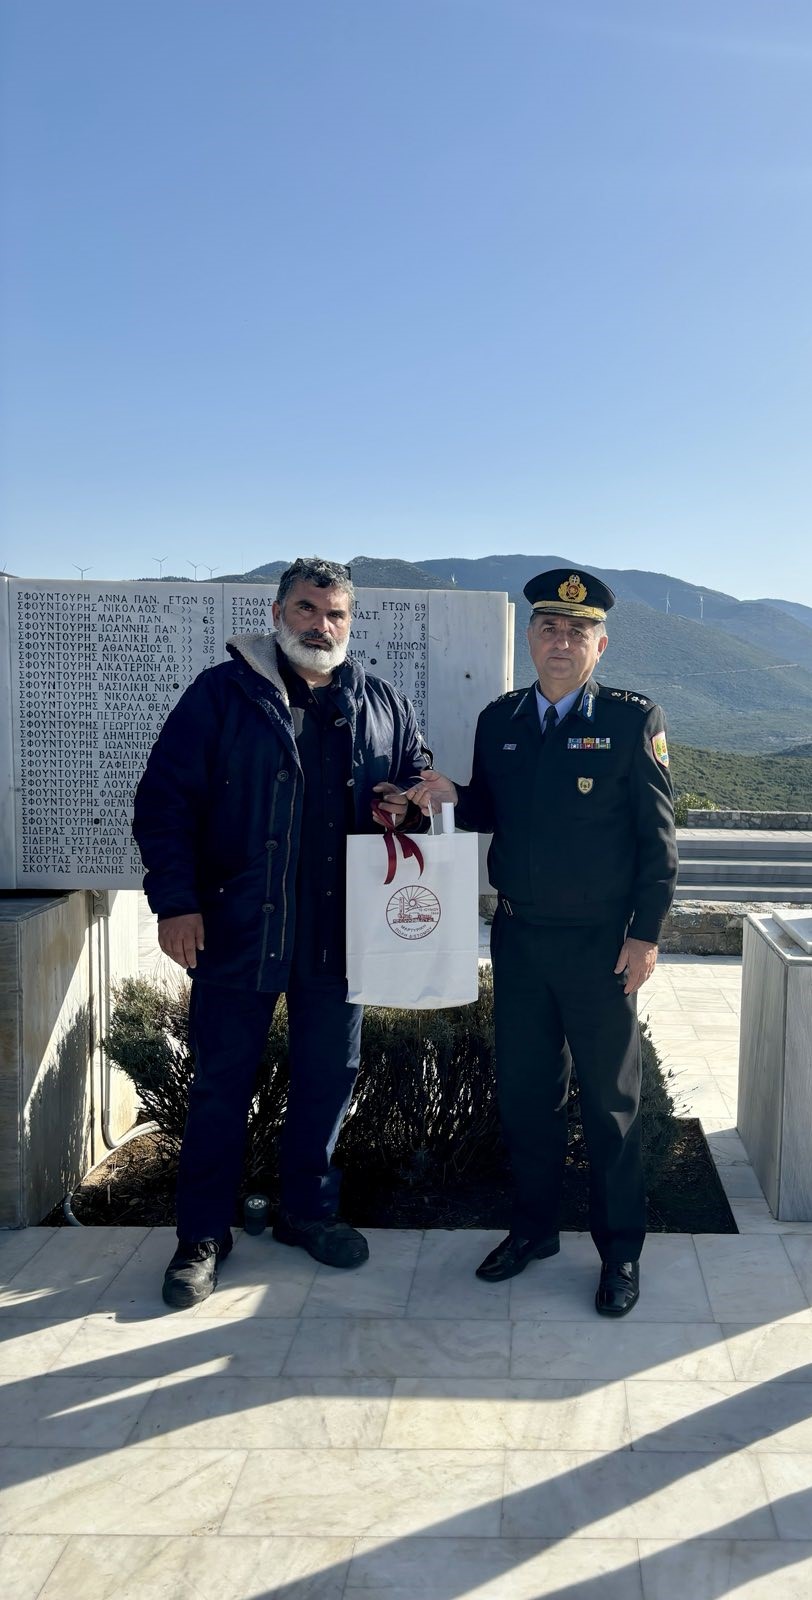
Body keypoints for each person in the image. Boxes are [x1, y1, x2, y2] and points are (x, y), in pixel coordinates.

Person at [133, 556, 430, 1309]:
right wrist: (176, 904)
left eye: (335, 614)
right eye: (306, 609)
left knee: (328, 1079)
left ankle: (308, 1213)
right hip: (237, 929)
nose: (320, 626)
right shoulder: (221, 694)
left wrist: (407, 800)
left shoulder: (382, 702)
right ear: (276, 614)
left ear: (350, 622)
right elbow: (164, 802)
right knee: (219, 1085)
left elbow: (416, 777)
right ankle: (202, 1237)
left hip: (340, 934)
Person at [407, 567, 678, 1316]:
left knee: (611, 1106)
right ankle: (533, 1230)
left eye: (577, 631)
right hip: (521, 938)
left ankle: (620, 1253)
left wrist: (646, 936)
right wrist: (452, 796)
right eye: (549, 628)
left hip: (601, 945)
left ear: (600, 644)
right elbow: (493, 807)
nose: (562, 641)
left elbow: (658, 841)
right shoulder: (501, 719)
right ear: (530, 638)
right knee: (528, 1096)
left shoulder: (631, 720)